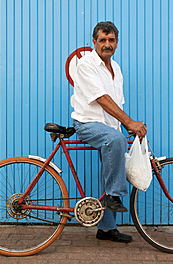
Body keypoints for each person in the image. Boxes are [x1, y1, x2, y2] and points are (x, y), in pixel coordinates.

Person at [71, 21, 147, 243]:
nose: (107, 44)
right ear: (94, 42)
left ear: (117, 42)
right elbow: (102, 99)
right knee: (115, 140)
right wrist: (130, 122)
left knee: (115, 159)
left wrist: (129, 126)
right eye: (102, 40)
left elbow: (117, 104)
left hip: (109, 126)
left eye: (111, 40)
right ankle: (113, 196)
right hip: (88, 123)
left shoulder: (117, 68)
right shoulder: (86, 65)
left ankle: (106, 229)